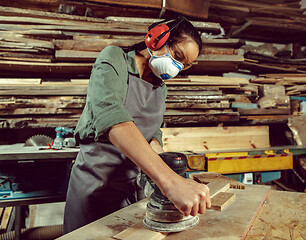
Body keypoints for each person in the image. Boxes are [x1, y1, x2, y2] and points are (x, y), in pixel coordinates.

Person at [63, 15, 211, 233]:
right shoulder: (114, 58)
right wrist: (171, 182)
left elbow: (152, 134)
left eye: (184, 65)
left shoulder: (160, 87)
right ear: (157, 38)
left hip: (132, 191)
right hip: (95, 186)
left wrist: (164, 162)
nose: (177, 68)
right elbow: (112, 119)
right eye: (177, 56)